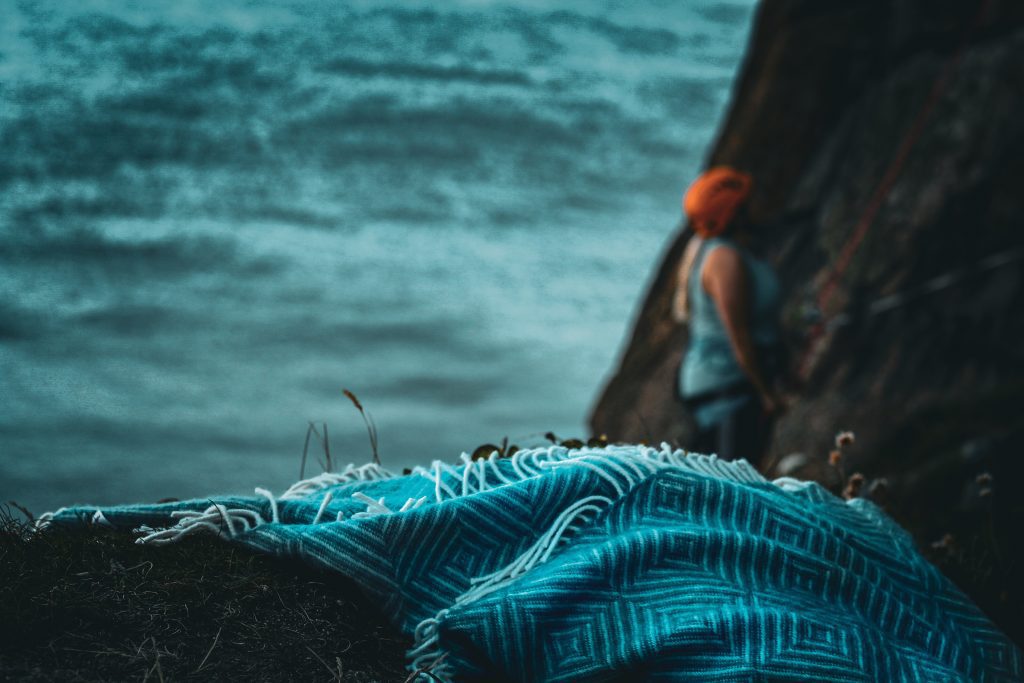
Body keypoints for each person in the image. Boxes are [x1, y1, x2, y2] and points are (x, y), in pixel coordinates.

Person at [672, 166, 784, 467]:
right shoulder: (723, 259)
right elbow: (739, 335)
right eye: (746, 202)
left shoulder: (716, 251)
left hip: (721, 386)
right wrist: (766, 393)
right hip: (727, 390)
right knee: (734, 485)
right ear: (733, 212)